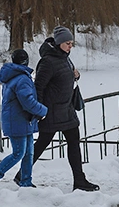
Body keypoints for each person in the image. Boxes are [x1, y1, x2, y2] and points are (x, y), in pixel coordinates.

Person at [33, 26, 99, 192]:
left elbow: (67, 76)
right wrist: (39, 110)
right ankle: (22, 174)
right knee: (41, 144)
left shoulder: (65, 58)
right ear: (59, 43)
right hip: (52, 112)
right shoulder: (48, 61)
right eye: (67, 43)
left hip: (67, 110)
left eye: (71, 43)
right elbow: (39, 86)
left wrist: (76, 75)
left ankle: (80, 180)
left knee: (74, 143)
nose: (70, 46)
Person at [0, 48, 47, 193]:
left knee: (28, 153)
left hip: (23, 120)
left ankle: (26, 182)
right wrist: (43, 111)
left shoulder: (15, 76)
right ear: (26, 61)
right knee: (18, 153)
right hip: (18, 121)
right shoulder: (22, 79)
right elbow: (28, 101)